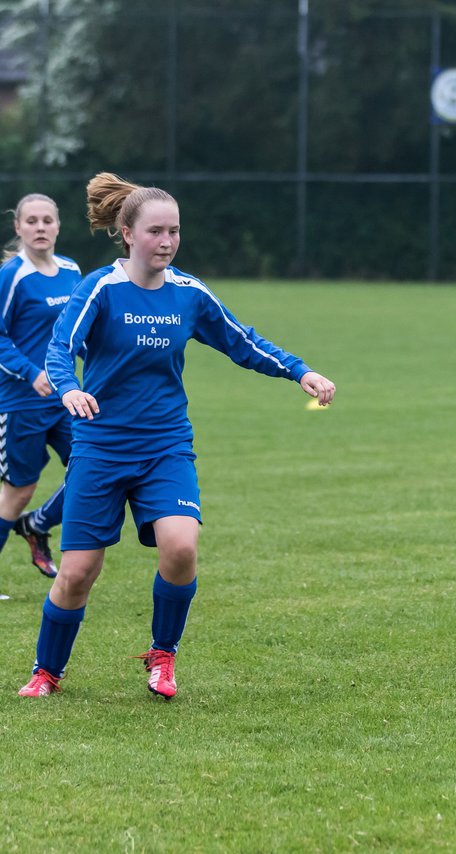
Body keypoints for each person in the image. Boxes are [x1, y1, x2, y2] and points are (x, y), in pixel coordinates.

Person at [18, 173, 336, 698]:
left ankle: (162, 657)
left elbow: (242, 342)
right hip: (100, 446)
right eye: (156, 232)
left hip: (165, 446)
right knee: (76, 573)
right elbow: (60, 346)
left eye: (175, 232)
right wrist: (69, 389)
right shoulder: (100, 287)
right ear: (126, 233)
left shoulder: (189, 294)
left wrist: (299, 372)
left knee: (182, 546)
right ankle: (47, 671)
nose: (167, 242)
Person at [0, 193, 81, 580]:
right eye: (31, 221)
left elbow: (81, 330)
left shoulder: (71, 271)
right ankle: (28, 520)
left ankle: (39, 524)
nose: (40, 228)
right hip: (20, 402)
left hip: (67, 398)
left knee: (91, 469)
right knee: (19, 492)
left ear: (58, 225)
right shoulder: (11, 276)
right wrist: (32, 372)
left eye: (47, 220)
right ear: (18, 227)